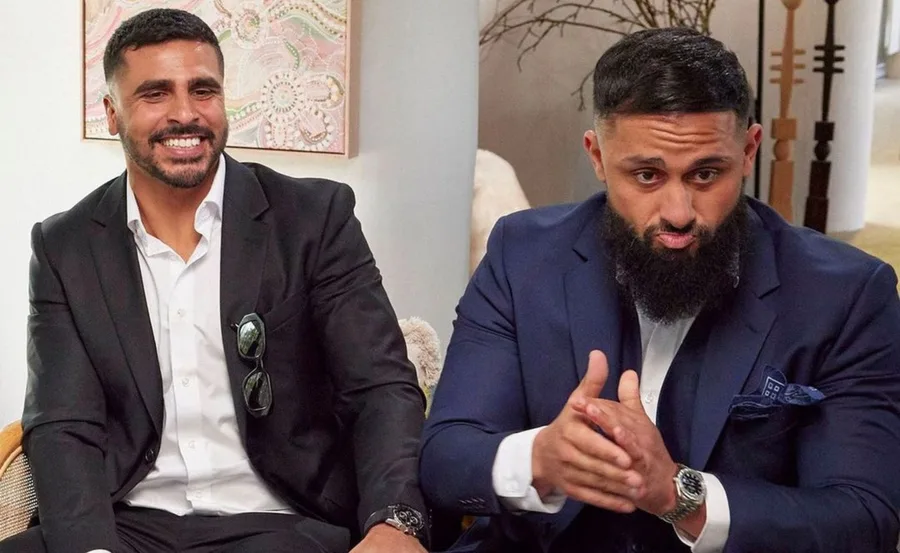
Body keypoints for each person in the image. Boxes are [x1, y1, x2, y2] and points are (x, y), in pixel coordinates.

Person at [419, 27, 900, 553]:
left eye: (706, 174)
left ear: (749, 150)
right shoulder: (522, 254)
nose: (677, 213)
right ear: (598, 157)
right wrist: (541, 460)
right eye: (646, 175)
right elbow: (446, 456)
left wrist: (679, 494)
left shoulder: (847, 294)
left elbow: (864, 518)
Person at [0, 8, 428, 553]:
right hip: (129, 523)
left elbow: (379, 386)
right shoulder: (65, 246)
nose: (186, 114)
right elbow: (64, 423)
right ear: (112, 113)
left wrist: (396, 524)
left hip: (280, 521)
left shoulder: (314, 218)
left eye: (203, 90)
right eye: (155, 94)